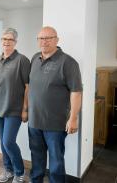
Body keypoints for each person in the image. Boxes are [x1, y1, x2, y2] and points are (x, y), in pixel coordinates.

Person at [28, 26, 82, 183]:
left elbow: (76, 92)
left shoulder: (68, 62)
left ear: (57, 40)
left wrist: (73, 118)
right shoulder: (35, 58)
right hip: (34, 121)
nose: (44, 41)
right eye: (41, 38)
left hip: (55, 124)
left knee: (56, 162)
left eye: (48, 38)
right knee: (36, 158)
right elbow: (31, 87)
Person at [0, 28, 30, 183]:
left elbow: (27, 87)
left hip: (14, 109)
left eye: (10, 39)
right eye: (4, 39)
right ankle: (8, 170)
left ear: (15, 42)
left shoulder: (22, 60)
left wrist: (25, 109)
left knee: (8, 141)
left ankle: (19, 171)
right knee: (2, 141)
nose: (6, 42)